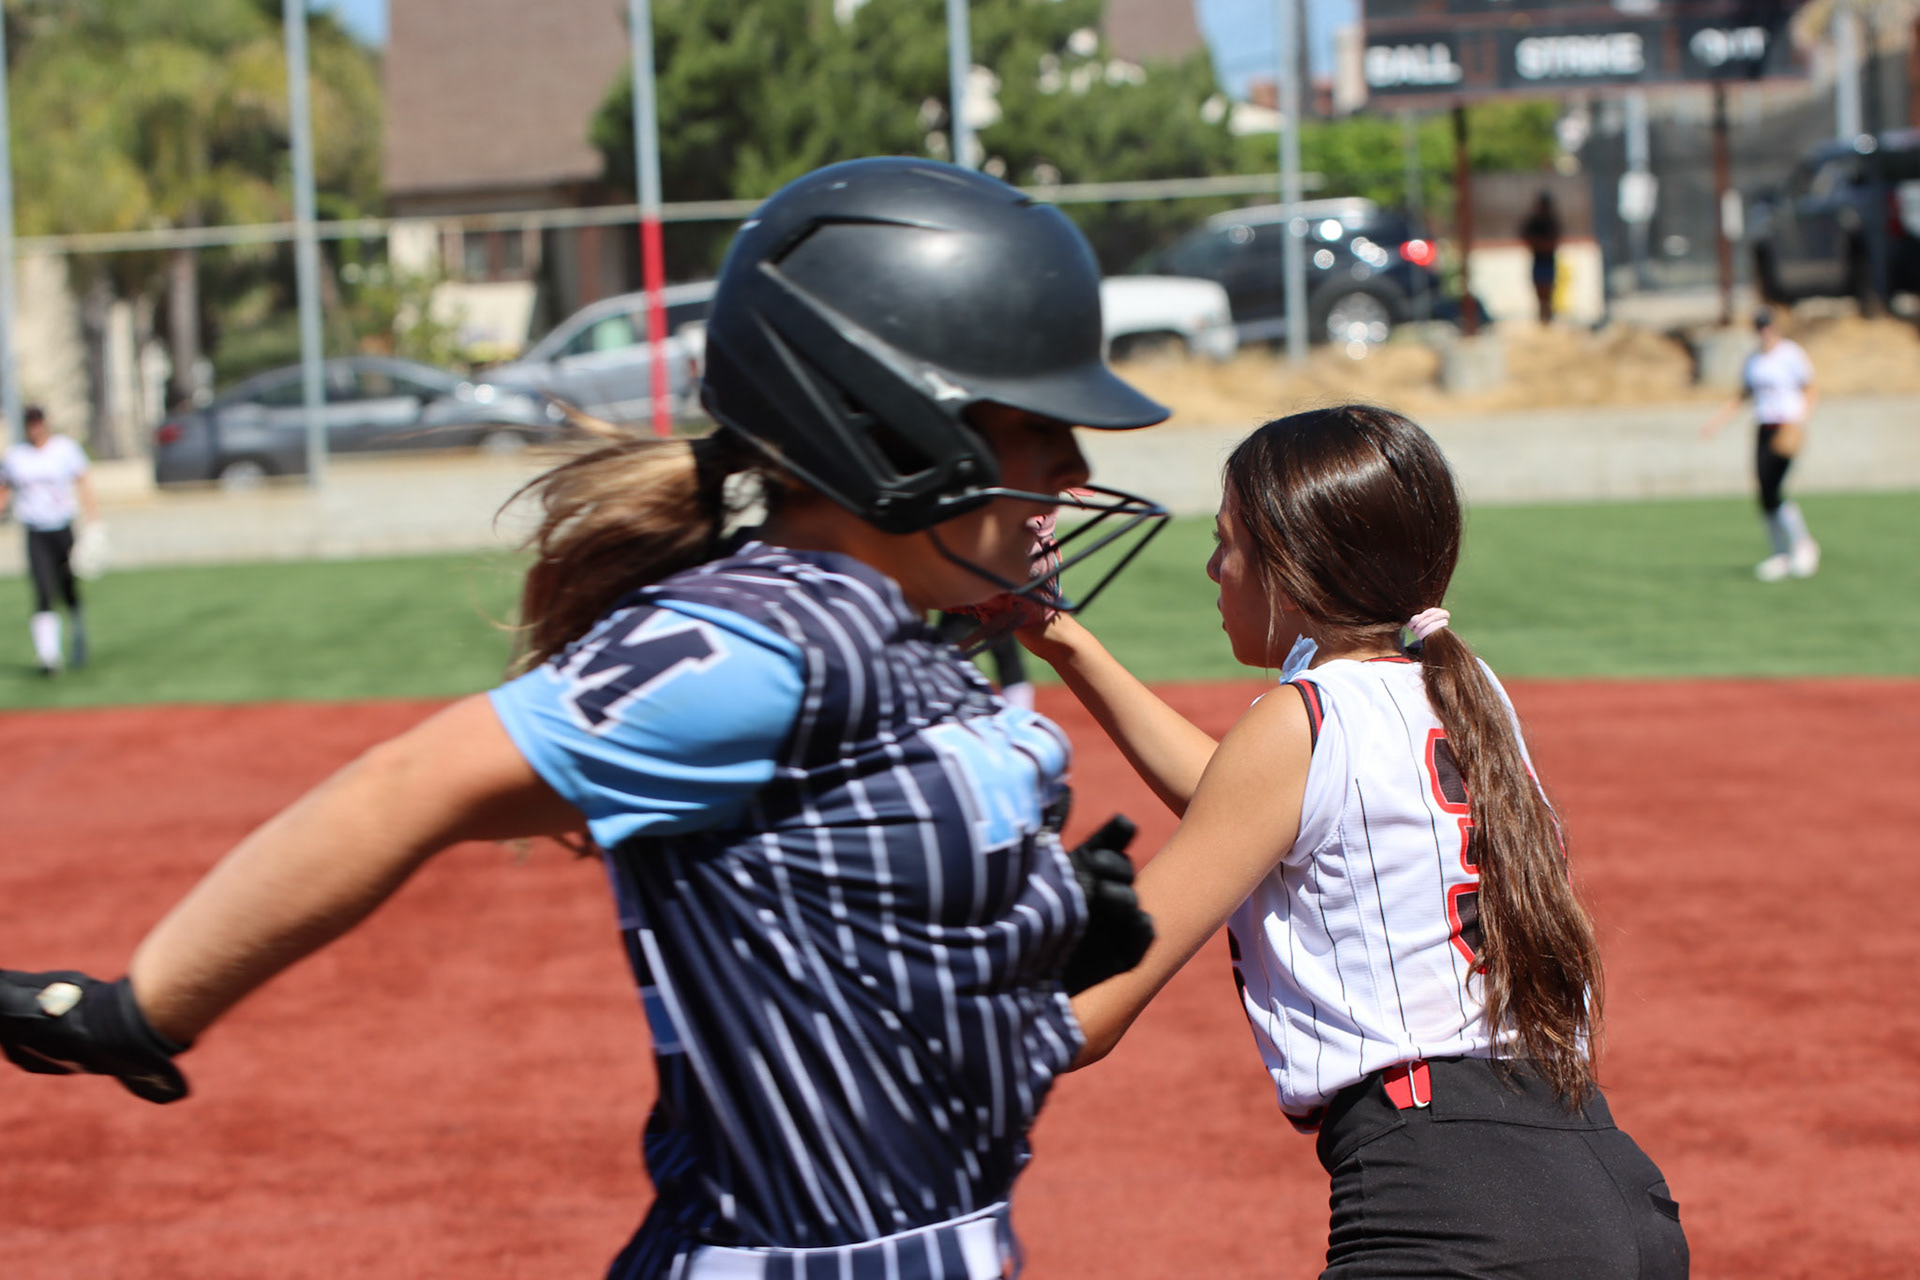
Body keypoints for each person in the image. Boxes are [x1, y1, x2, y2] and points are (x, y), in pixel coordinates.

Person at [0, 158, 1170, 1279]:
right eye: (1035, 424)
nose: (1072, 465)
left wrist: (1033, 935)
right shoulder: (764, 640)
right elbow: (408, 784)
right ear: (891, 425)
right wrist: (144, 1008)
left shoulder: (905, 641)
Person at [1022, 405, 1689, 1278]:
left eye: (1228, 542)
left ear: (1292, 570)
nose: (1214, 568)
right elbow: (1242, 803)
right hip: (1601, 1185)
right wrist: (1058, 634)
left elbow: (1092, 1002)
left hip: (1448, 1211)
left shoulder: (1298, 724)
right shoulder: (1460, 689)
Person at [1701, 308, 1819, 581]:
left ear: (1775, 327)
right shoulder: (1754, 359)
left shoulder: (1790, 354)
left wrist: (1800, 419)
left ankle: (1803, 545)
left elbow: (1810, 387)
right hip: (1763, 427)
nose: (1764, 332)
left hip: (1786, 427)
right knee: (1764, 493)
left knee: (1775, 488)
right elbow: (1744, 394)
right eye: (1759, 327)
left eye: (1767, 326)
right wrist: (1717, 422)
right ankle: (1779, 553)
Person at [0, 404, 98, 673]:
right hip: (35, 530)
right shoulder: (16, 456)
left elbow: (83, 481)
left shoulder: (64, 449)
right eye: (29, 423)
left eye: (37, 422)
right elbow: (4, 488)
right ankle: (48, 655)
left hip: (62, 527)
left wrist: (94, 522)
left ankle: (78, 634)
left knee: (68, 586)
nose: (34, 428)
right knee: (43, 588)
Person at [1519, 191, 1563, 325]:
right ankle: (1542, 319)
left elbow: (1552, 243)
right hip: (1538, 262)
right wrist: (1541, 245)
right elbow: (1528, 239)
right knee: (1539, 293)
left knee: (1548, 293)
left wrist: (1540, 244)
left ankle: (1547, 319)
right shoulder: (1533, 222)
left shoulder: (1551, 222)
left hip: (1548, 262)